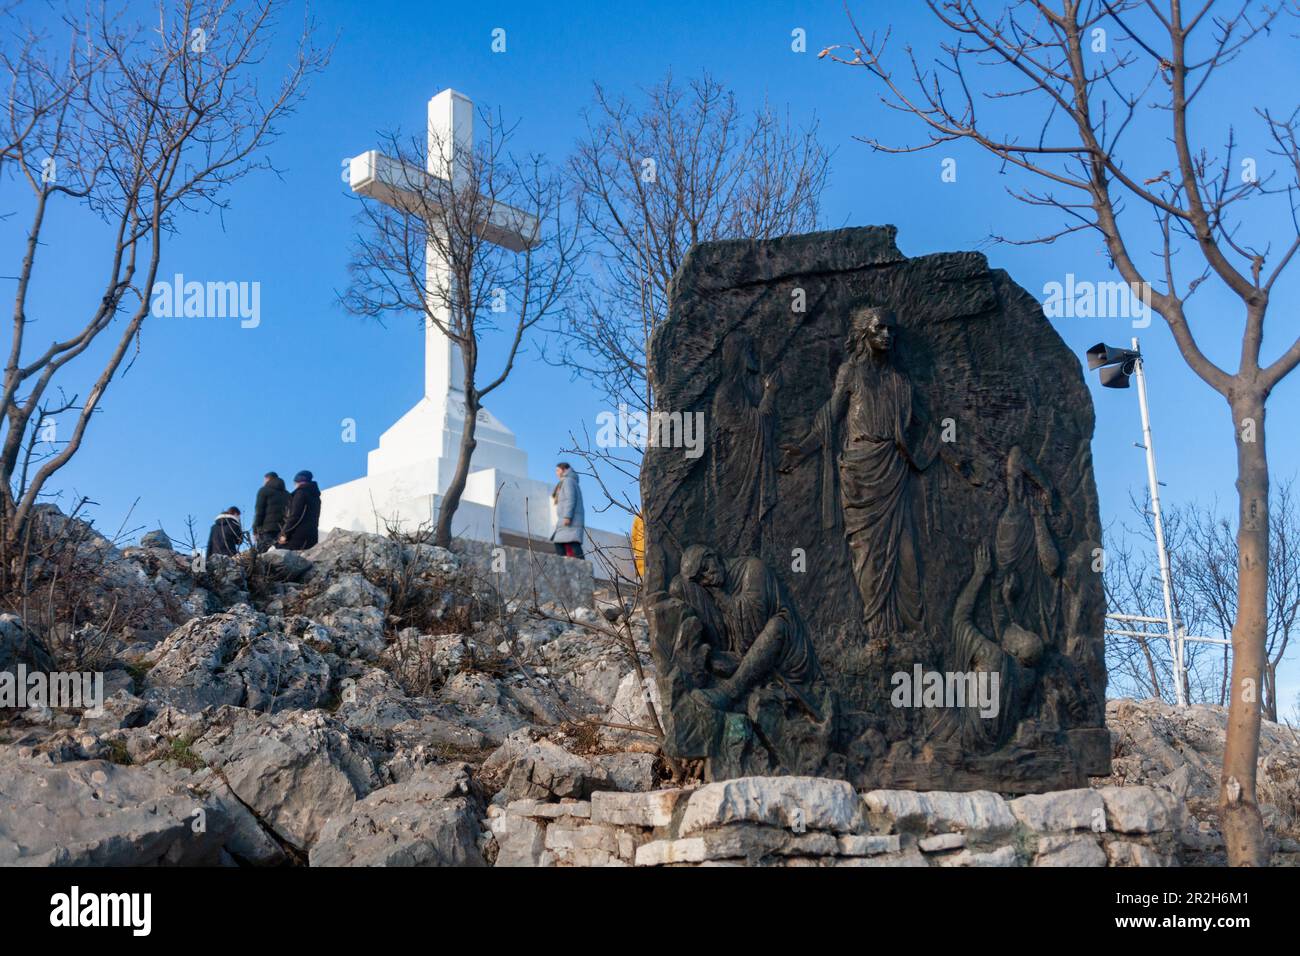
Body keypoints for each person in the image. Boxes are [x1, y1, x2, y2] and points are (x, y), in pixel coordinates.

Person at [278, 470, 321, 550]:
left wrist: (284, 534)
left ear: (298, 481)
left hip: (297, 537)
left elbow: (295, 516)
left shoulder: (300, 493)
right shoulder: (316, 496)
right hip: (312, 537)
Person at [550, 462, 585, 559]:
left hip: (570, 520)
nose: (556, 473)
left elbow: (571, 499)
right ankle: (570, 563)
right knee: (564, 543)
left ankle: (581, 565)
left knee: (570, 543)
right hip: (565, 520)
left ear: (564, 470)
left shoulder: (568, 481)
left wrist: (567, 516)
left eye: (558, 470)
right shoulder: (567, 481)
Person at [253, 471, 290, 551]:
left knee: (262, 555)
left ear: (267, 479)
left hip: (266, 529)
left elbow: (259, 512)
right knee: (279, 555)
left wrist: (255, 530)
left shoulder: (264, 491)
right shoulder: (287, 494)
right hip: (282, 530)